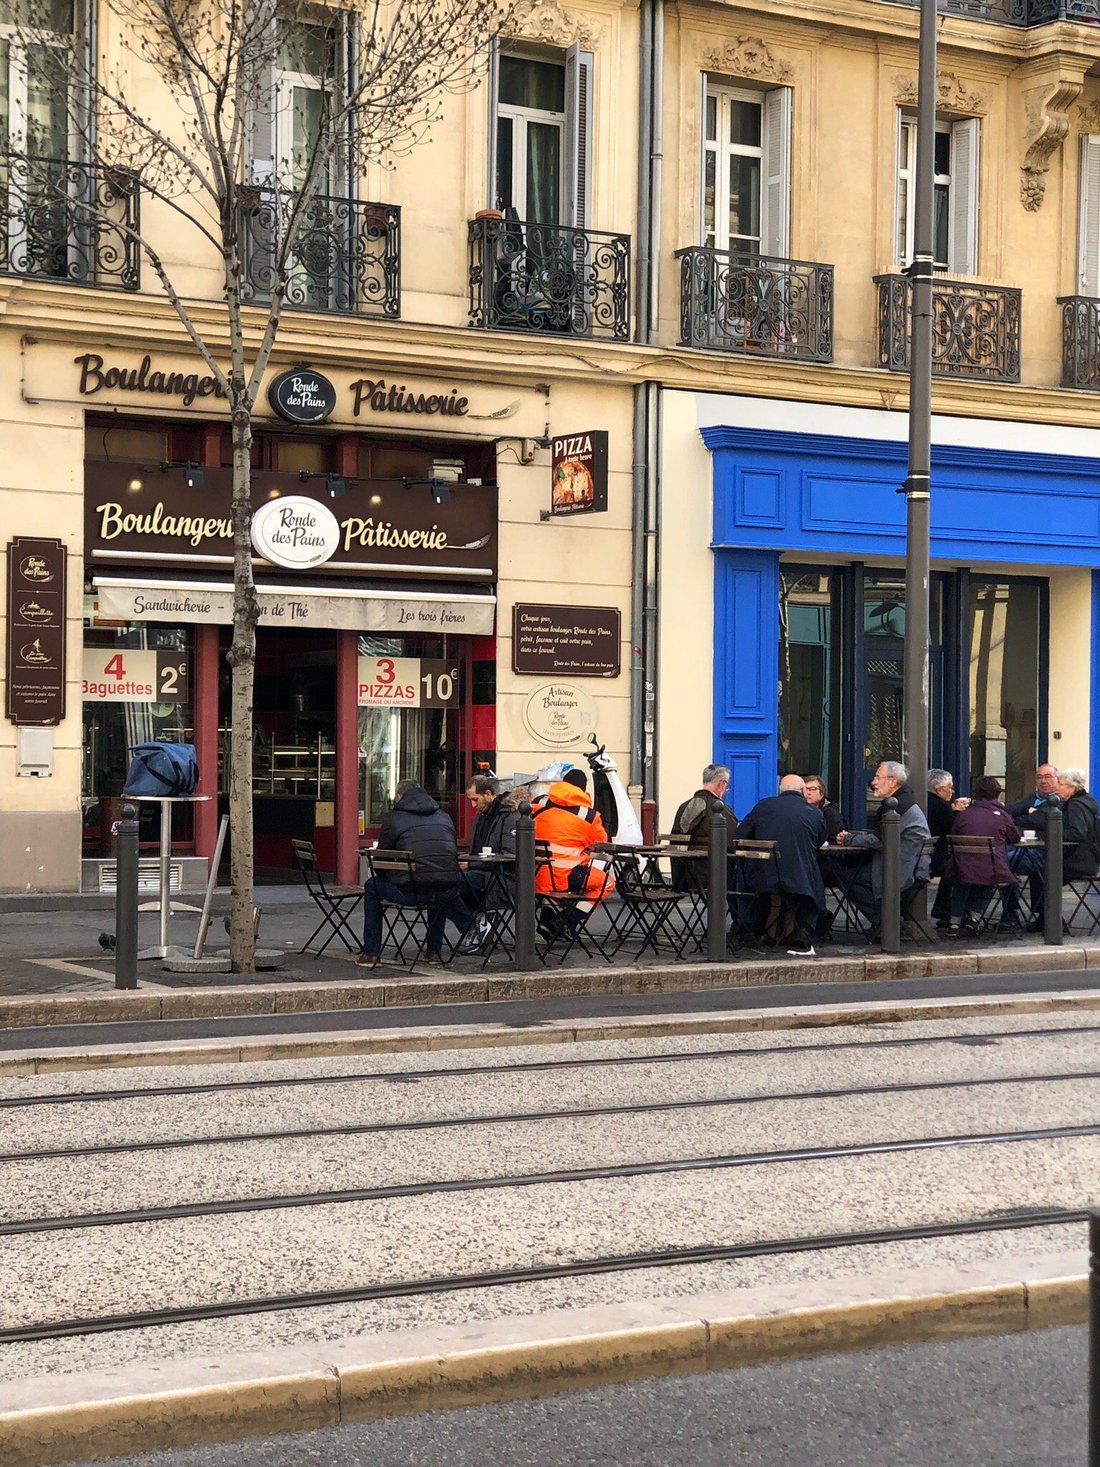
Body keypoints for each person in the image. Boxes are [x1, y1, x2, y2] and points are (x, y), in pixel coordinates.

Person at [358, 778, 473, 967]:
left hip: (409, 892)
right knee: (436, 882)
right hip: (445, 891)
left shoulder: (394, 818)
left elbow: (380, 861)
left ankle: (371, 952)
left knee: (372, 887)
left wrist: (389, 876)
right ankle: (433, 952)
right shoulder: (444, 817)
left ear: (399, 796)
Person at [836, 761, 931, 935]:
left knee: (844, 878)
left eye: (878, 777)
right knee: (851, 874)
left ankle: (883, 920)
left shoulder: (897, 806)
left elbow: (881, 840)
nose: (874, 782)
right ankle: (885, 920)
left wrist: (849, 839)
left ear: (892, 781)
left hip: (900, 868)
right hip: (911, 864)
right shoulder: (903, 801)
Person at [737, 774, 827, 956]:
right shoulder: (815, 813)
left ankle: (754, 930)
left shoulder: (764, 806)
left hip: (761, 878)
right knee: (814, 876)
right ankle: (801, 931)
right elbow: (819, 841)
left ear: (781, 791)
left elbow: (740, 835)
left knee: (741, 875)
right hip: (800, 881)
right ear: (802, 791)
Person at [532, 767, 615, 934]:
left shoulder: (538, 803)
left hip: (534, 875)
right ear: (583, 790)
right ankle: (567, 921)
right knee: (607, 882)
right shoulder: (588, 815)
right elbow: (600, 842)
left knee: (557, 884)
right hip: (565, 876)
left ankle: (547, 922)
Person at [944, 776, 1021, 936]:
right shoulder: (1002, 815)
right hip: (992, 870)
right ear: (997, 794)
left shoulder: (964, 815)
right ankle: (974, 919)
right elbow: (1015, 838)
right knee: (990, 882)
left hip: (961, 869)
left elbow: (954, 835)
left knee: (961, 885)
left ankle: (954, 923)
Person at [457, 775, 522, 955]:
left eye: (475, 800)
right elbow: (475, 851)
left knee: (453, 884)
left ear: (488, 794)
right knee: (443, 882)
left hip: (503, 876)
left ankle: (474, 925)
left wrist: (471, 866)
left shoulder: (509, 815)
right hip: (484, 870)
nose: (473, 806)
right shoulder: (481, 815)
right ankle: (477, 921)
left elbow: (510, 856)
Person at [926, 769, 970, 928]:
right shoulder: (941, 807)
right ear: (939, 790)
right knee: (958, 868)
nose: (953, 791)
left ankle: (942, 908)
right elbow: (954, 829)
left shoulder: (926, 801)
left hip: (928, 854)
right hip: (935, 857)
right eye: (950, 787)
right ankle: (946, 909)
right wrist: (957, 812)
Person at [1055, 767, 1100, 884]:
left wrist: (1055, 834)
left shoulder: (1075, 805)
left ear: (1072, 787)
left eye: (1060, 784)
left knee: (1039, 875)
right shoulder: (1087, 801)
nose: (1057, 787)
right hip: (1090, 860)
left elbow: (1078, 833)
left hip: (1077, 862)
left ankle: (1043, 903)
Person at [803, 775, 845, 843]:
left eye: (812, 789)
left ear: (822, 793)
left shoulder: (830, 812)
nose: (808, 793)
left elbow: (837, 837)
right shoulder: (801, 810)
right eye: (805, 789)